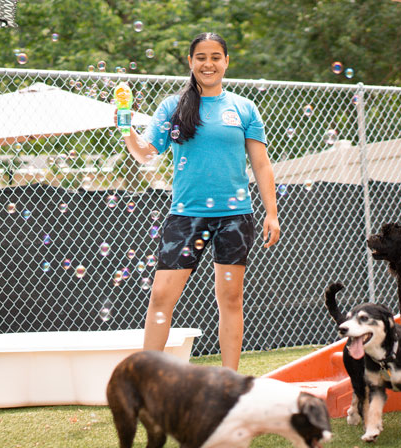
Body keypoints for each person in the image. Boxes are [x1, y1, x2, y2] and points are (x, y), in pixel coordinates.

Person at [116, 32, 280, 370]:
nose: (209, 63)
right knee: (161, 297)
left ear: (226, 62)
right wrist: (126, 129)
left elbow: (261, 165)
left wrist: (272, 213)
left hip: (236, 217)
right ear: (191, 62)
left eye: (216, 57)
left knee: (230, 299)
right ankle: (149, 377)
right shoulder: (172, 107)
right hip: (186, 217)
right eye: (201, 57)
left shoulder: (244, 108)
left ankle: (228, 379)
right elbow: (146, 154)